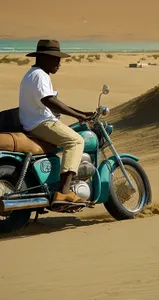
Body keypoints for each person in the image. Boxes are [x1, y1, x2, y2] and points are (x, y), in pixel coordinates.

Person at [19, 39, 92, 204]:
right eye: (55, 58)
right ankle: (64, 192)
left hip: (36, 122)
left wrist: (80, 113)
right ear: (43, 57)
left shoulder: (33, 74)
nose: (59, 62)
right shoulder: (39, 75)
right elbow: (49, 101)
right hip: (41, 123)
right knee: (75, 141)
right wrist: (77, 116)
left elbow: (53, 102)